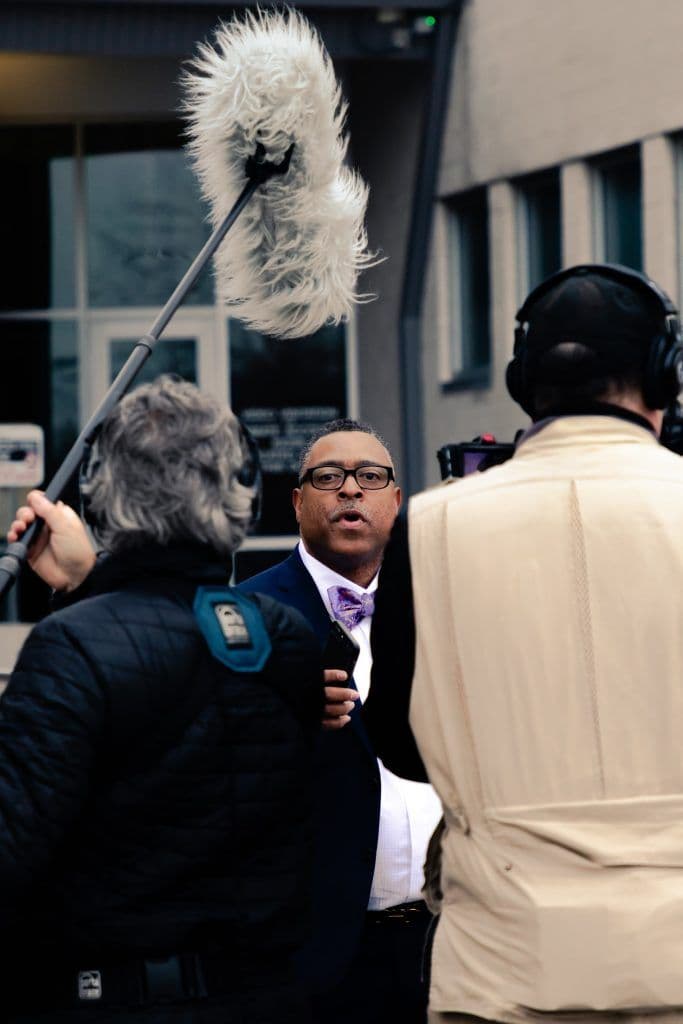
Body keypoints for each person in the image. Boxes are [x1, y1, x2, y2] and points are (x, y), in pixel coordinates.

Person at [364, 263, 683, 1024]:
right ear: (663, 377)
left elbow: (399, 744)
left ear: (520, 381)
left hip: (501, 966)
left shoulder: (429, 525)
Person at [2, 375, 323, 1024]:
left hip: (115, 1002)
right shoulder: (283, 634)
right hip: (267, 998)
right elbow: (174, 652)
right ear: (238, 488)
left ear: (106, 491)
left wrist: (92, 590)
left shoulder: (71, 646)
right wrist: (91, 583)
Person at [239, 418, 443, 1024]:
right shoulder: (247, 615)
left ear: (396, 501)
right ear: (299, 500)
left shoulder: (440, 602)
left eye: (370, 476)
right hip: (317, 952)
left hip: (448, 937)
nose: (350, 489)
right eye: (329, 477)